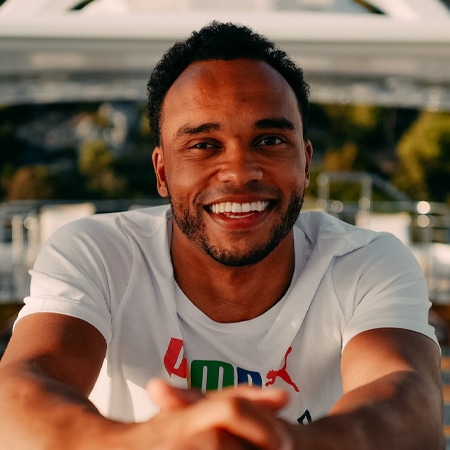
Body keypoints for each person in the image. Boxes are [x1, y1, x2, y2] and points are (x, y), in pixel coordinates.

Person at [0, 21, 444, 449]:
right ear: (162, 172)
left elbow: (411, 402)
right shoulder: (98, 253)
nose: (239, 172)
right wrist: (150, 444)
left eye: (270, 140)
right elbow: (20, 393)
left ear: (306, 163)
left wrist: (291, 443)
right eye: (203, 145)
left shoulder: (364, 262)